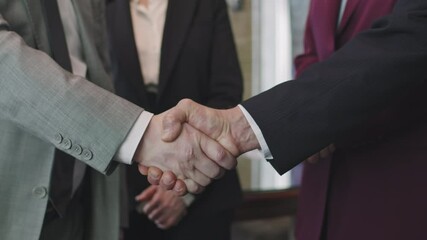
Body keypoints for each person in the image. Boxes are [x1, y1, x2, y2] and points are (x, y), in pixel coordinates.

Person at [143, 0, 427, 239]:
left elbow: (409, 39)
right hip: (319, 195)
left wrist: (242, 127)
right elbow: (312, 53)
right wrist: (311, 123)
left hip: (393, 193)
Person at [0, 1, 234, 239]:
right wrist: (142, 138)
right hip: (36, 201)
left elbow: (227, 91)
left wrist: (182, 184)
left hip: (92, 206)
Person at [106, 0, 243, 239]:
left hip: (203, 191)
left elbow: (226, 93)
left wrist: (184, 185)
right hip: (125, 196)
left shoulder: (206, 5)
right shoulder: (99, 8)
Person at [294, 0, 404, 239]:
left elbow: (400, 57)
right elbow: (310, 54)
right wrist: (311, 118)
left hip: (389, 183)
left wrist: (326, 118)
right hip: (320, 184)